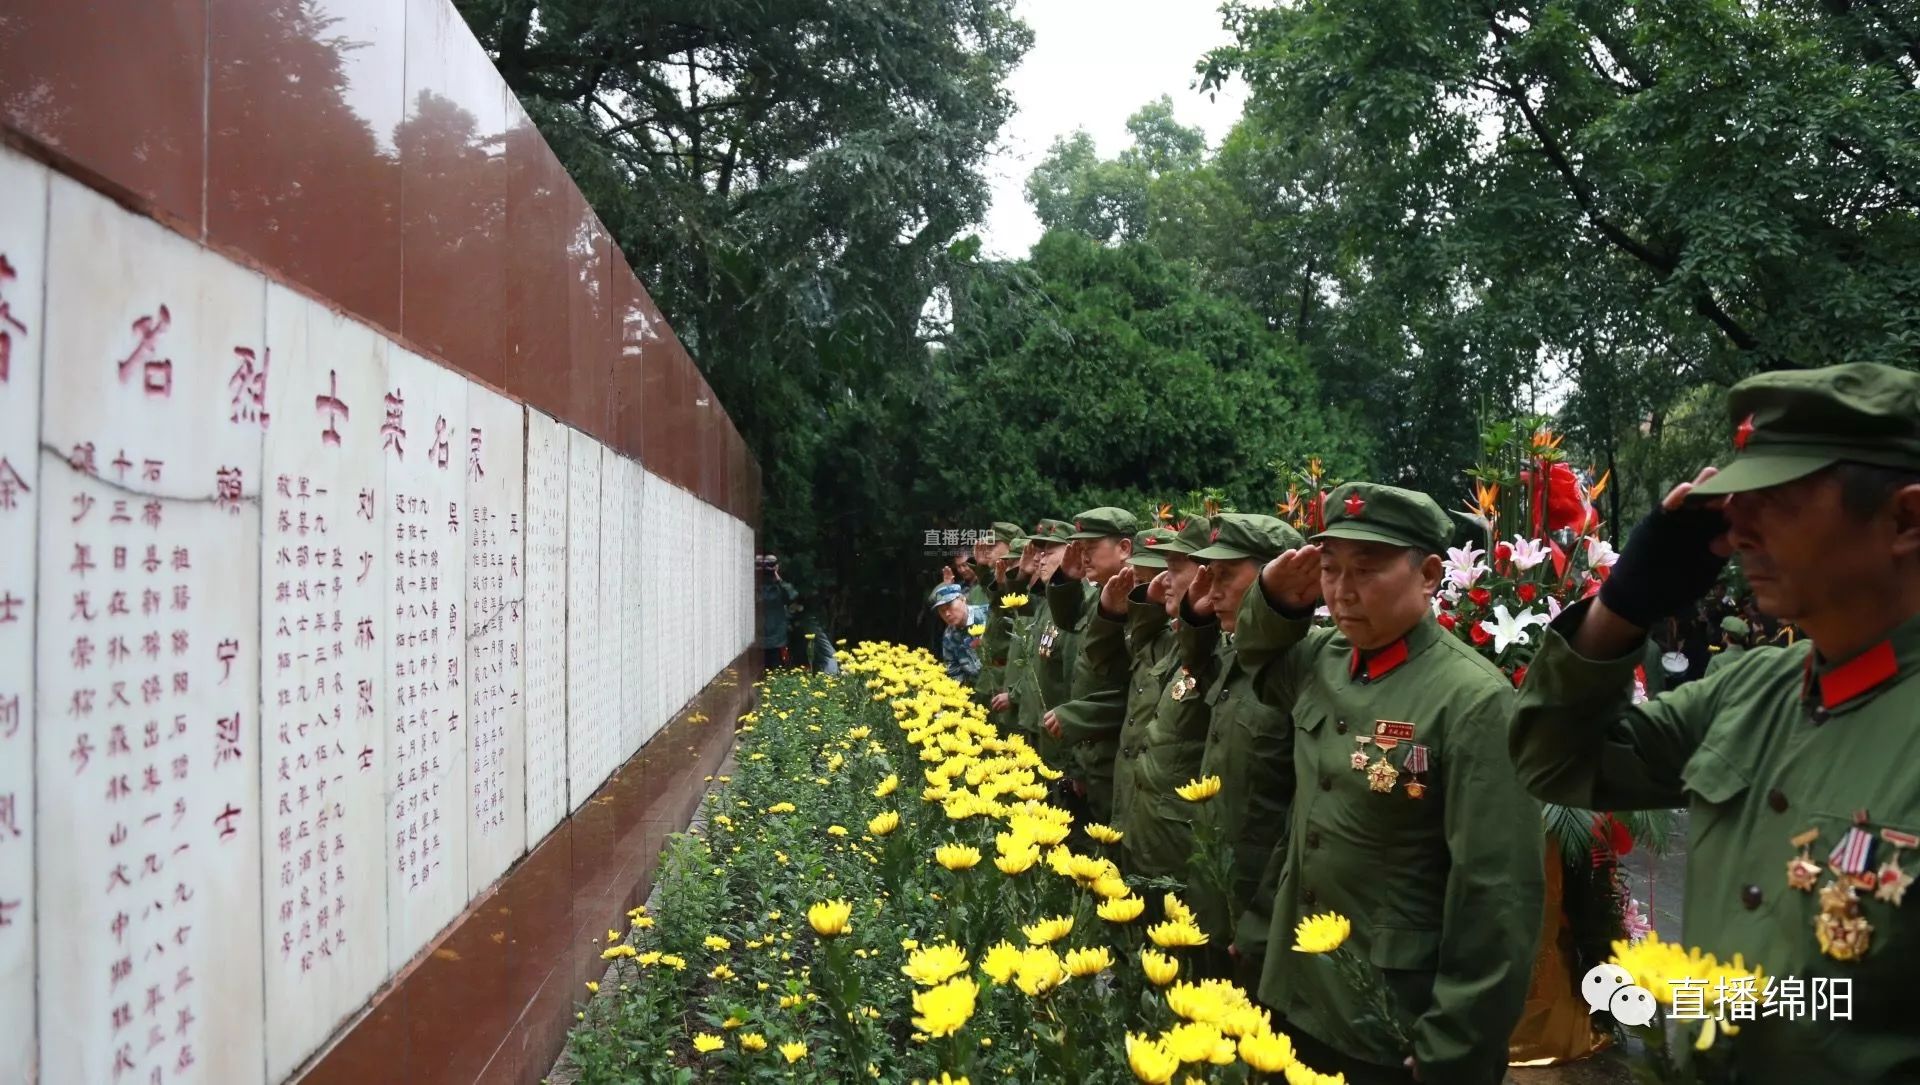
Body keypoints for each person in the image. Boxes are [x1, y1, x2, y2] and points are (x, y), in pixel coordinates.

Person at [1511, 362, 1920, 1082]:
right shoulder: (1752, 691)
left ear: (1906, 519)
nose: (1738, 527)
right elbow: (1553, 760)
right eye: (1737, 502)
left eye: (1778, 500)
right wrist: (1621, 609)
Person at [1236, 481, 1544, 1085]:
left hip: (1386, 1017)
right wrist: (1272, 598)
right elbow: (1255, 660)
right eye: (1329, 570)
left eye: (1367, 570)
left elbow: (1496, 894)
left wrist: (1458, 1042)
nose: (1342, 592)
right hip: (1295, 986)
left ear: (1429, 575)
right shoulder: (1322, 659)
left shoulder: (1473, 700)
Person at [1177, 513, 1304, 982]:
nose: (1211, 592)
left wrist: (1263, 919)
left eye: (1225, 576)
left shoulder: (1302, 669)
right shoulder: (1232, 655)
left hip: (1263, 916)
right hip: (1214, 892)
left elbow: (1300, 822)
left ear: (1279, 576)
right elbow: (1188, 657)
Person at [1049, 520, 1195, 837]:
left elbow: (1131, 695)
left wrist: (1079, 716)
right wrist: (1110, 612)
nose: (1158, 586)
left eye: (1150, 580)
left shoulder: (1182, 642)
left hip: (1157, 803)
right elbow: (1097, 658)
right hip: (1116, 773)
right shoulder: (1133, 618)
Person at [1039, 507, 1139, 820]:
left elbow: (1138, 690)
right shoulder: (1102, 596)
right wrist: (1067, 579)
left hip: (1112, 754)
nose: (1084, 557)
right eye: (1079, 549)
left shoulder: (1138, 602)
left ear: (1124, 549)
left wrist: (1078, 717)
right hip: (1087, 751)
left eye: (1091, 548)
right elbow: (1071, 623)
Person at [931, 582, 987, 683]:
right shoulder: (949, 635)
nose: (947, 614)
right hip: (975, 690)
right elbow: (953, 670)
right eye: (942, 611)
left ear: (963, 599)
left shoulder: (987, 615)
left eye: (949, 606)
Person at [757, 554, 800, 671]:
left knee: (776, 671)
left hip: (777, 639)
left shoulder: (780, 587)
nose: (767, 569)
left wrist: (778, 579)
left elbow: (793, 596)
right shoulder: (755, 586)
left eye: (770, 565)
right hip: (758, 638)